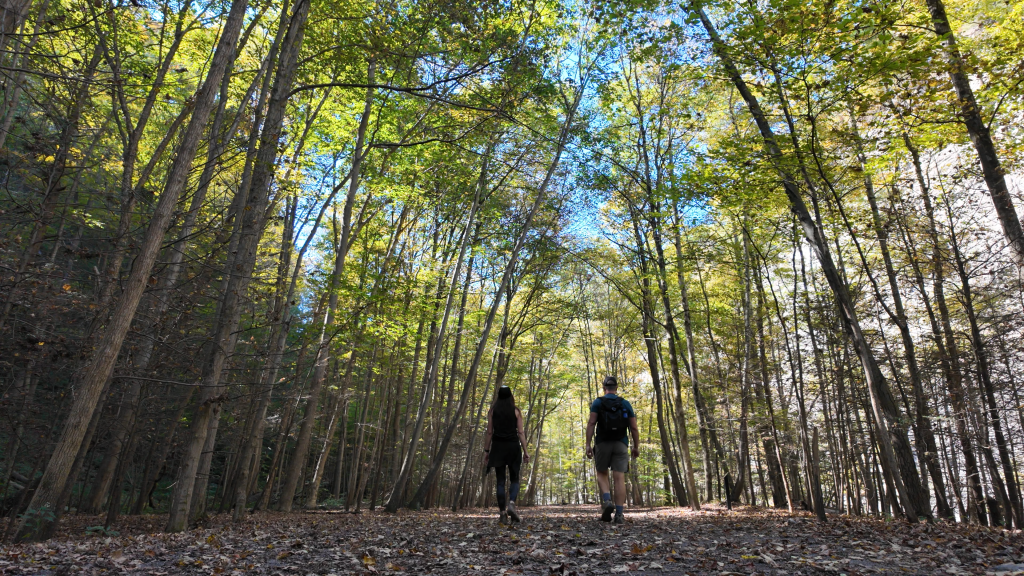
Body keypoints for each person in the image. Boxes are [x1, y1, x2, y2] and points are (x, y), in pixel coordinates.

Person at [585, 376, 639, 524]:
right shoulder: (625, 403)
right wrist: (636, 446)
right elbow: (633, 427)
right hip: (621, 443)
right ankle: (620, 514)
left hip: (602, 443)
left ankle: (607, 500)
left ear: (604, 388)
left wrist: (588, 444)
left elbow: (591, 423)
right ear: (616, 388)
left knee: (602, 473)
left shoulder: (598, 402)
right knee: (619, 478)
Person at [484, 386, 530, 523]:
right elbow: (521, 432)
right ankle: (511, 503)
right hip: (513, 447)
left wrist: (487, 451)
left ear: (498, 396)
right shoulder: (516, 411)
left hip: (498, 448)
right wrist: (526, 452)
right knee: (515, 478)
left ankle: (502, 513)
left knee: (500, 481)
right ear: (511, 396)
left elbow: (490, 432)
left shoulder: (492, 412)